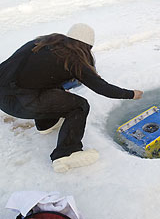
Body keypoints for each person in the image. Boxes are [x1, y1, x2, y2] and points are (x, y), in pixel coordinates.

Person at [0, 23, 143, 173]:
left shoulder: (42, 42)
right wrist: (131, 94)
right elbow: (102, 88)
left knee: (55, 90)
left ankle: (46, 125)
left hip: (4, 97)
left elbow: (30, 74)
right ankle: (66, 153)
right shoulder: (74, 59)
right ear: (87, 46)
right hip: (22, 103)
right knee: (79, 106)